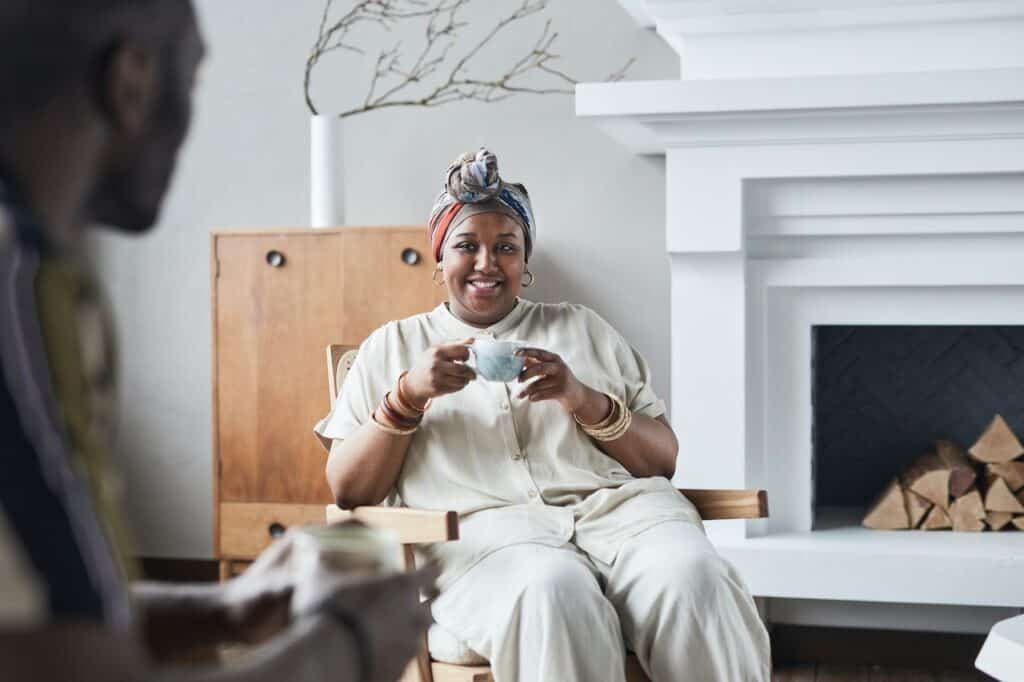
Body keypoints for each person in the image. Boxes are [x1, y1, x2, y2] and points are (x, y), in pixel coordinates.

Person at [0, 1, 433, 681]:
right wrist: (343, 645)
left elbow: (47, 620)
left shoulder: (40, 274)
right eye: (194, 79)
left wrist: (228, 606)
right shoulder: (16, 284)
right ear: (132, 81)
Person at [317, 147, 773, 682]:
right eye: (467, 246)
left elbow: (662, 462)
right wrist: (408, 397)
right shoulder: (393, 346)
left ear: (525, 262)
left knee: (693, 575)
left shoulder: (583, 329)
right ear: (439, 261)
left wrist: (582, 398)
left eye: (506, 247)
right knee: (554, 588)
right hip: (485, 542)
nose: (487, 263)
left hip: (628, 520)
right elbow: (348, 491)